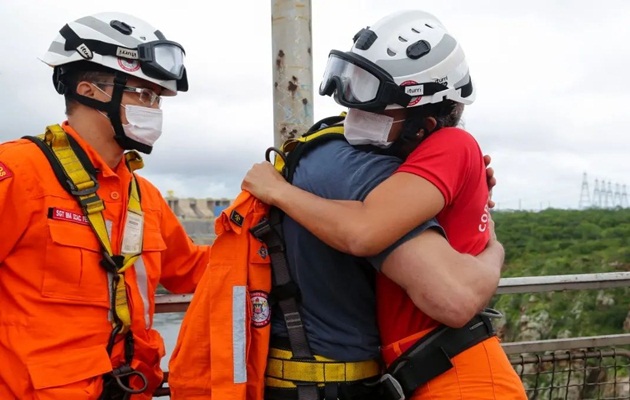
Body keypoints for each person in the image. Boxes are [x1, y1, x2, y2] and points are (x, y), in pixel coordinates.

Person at [242, 10, 526, 400]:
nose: (353, 115)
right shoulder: (423, 170)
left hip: (460, 376)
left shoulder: (451, 145)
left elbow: (364, 232)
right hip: (429, 370)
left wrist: (279, 192)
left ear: (423, 124)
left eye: (374, 106)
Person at [0, 12, 210, 400]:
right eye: (144, 94)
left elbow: (191, 269)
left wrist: (277, 230)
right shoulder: (18, 172)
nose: (155, 109)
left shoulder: (142, 195)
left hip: (129, 388)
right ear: (91, 90)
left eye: (157, 98)